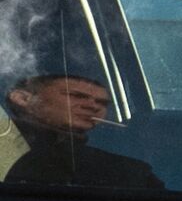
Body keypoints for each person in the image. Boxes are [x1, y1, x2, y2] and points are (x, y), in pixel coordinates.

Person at [2, 74, 163, 189]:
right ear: (23, 99)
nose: (93, 106)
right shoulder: (4, 147)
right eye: (75, 95)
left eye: (102, 103)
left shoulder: (130, 171)